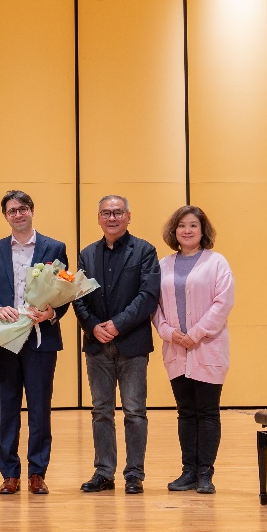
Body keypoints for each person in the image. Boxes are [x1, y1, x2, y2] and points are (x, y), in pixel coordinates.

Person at [0, 190, 68, 495]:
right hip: (6, 337)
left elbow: (65, 291)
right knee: (7, 407)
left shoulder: (55, 247)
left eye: (22, 209)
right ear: (5, 216)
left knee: (40, 408)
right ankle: (9, 473)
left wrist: (52, 312)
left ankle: (37, 472)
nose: (18, 214)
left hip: (41, 339)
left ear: (31, 210)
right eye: (12, 211)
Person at [72, 195, 161, 494]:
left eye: (118, 212)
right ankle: (104, 472)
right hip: (97, 343)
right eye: (106, 213)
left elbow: (147, 296)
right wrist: (93, 326)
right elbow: (77, 297)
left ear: (128, 216)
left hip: (132, 343)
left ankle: (134, 474)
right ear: (98, 218)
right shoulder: (87, 254)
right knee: (101, 411)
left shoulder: (145, 251)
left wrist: (117, 324)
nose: (112, 218)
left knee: (134, 412)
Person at [153, 206, 234, 494]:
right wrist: (169, 333)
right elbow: (155, 306)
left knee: (207, 412)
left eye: (193, 225)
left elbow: (223, 303)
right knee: (186, 412)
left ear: (203, 231)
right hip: (175, 350)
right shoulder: (163, 265)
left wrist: (195, 334)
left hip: (208, 348)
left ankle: (205, 474)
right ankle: (188, 471)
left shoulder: (217, 262)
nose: (187, 230)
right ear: (174, 231)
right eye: (182, 226)